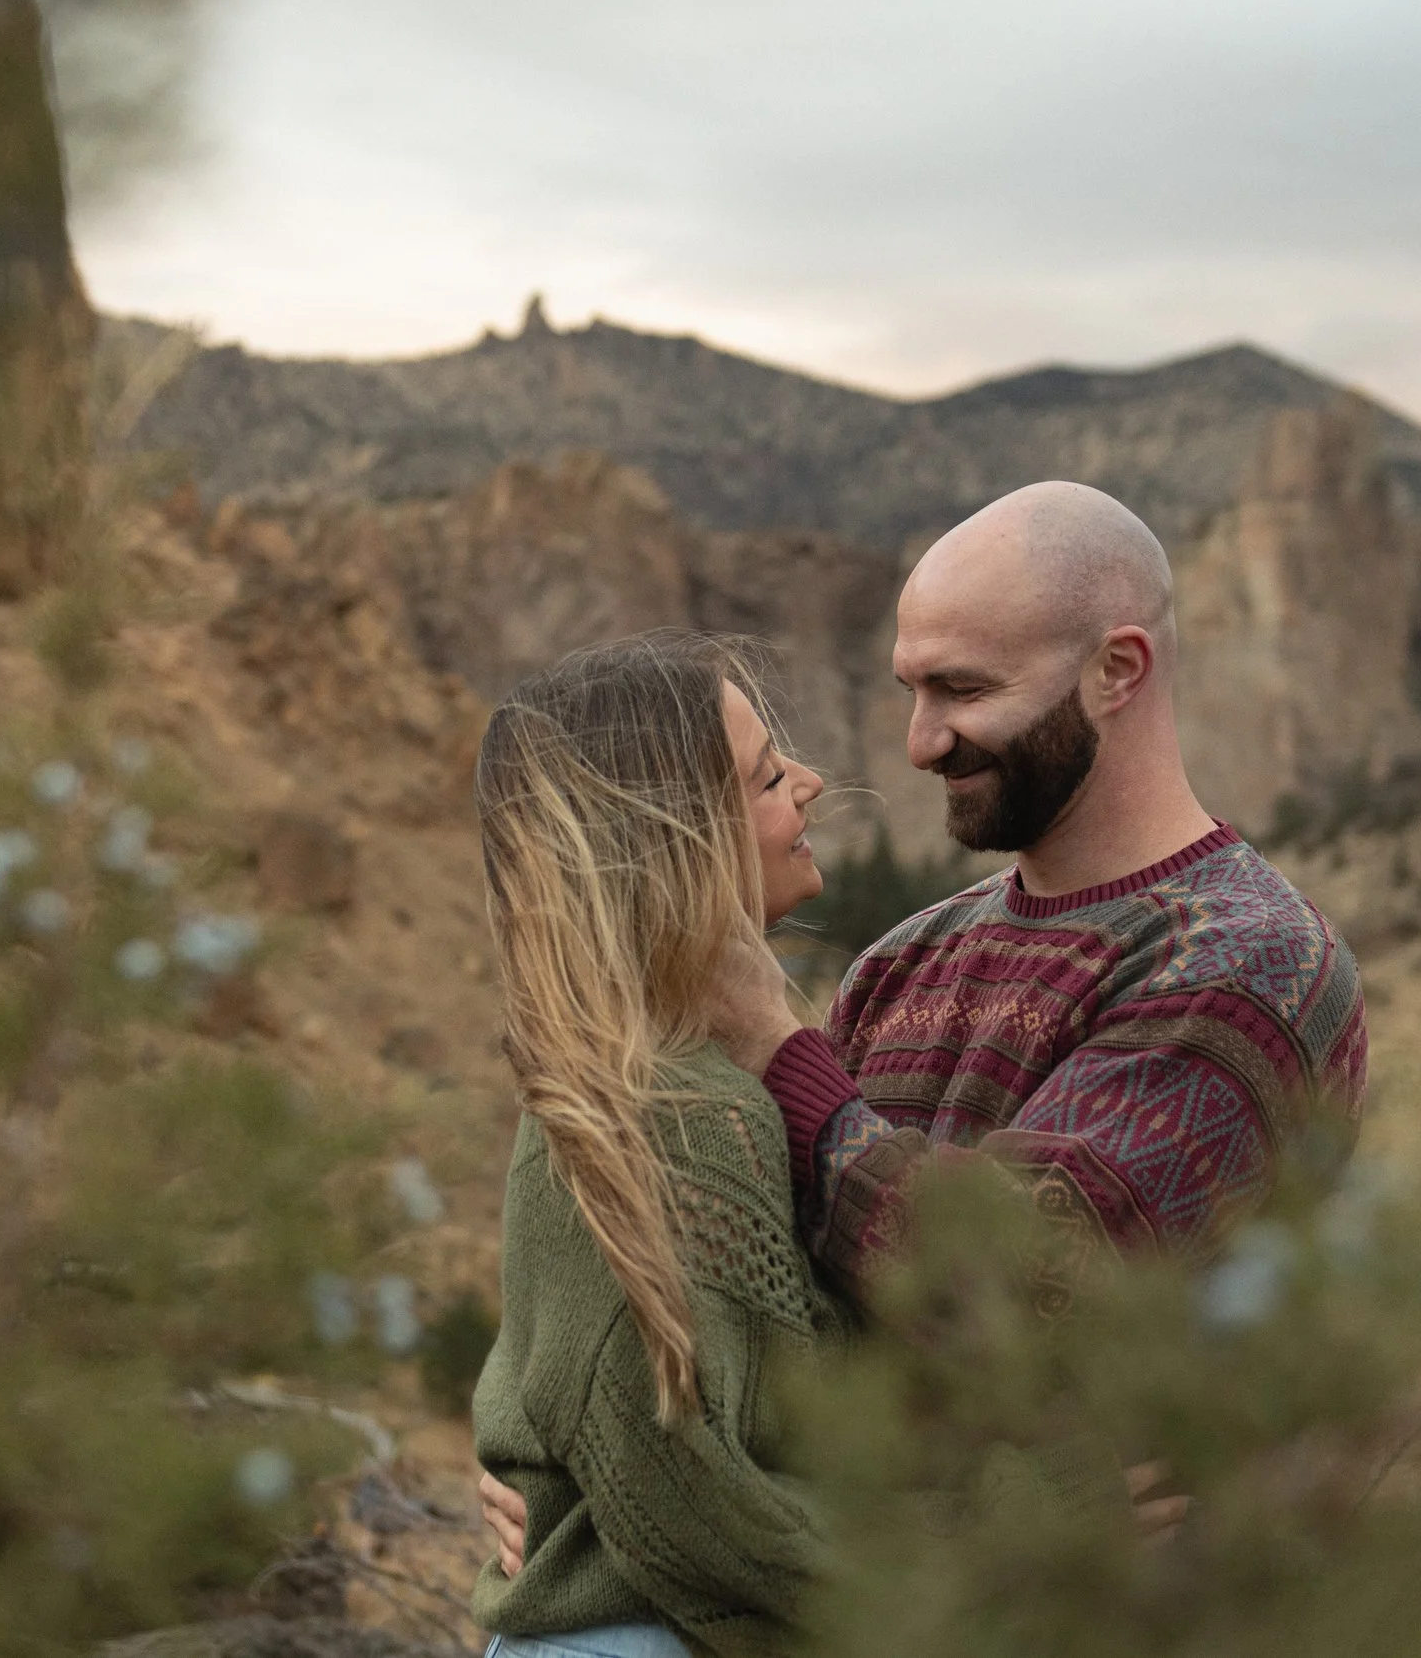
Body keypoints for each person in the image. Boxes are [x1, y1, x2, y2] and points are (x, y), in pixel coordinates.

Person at [484, 480, 1361, 1569]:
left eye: (961, 689)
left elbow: (1013, 1292)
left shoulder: (1244, 963)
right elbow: (784, 1320)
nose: (917, 740)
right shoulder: (906, 958)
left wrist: (778, 1047)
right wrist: (579, 1463)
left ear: (1117, 669)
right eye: (908, 686)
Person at [464, 631, 849, 1658]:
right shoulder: (656, 1116)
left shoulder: (664, 1090)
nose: (809, 784)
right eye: (769, 775)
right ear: (678, 837)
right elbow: (706, 1518)